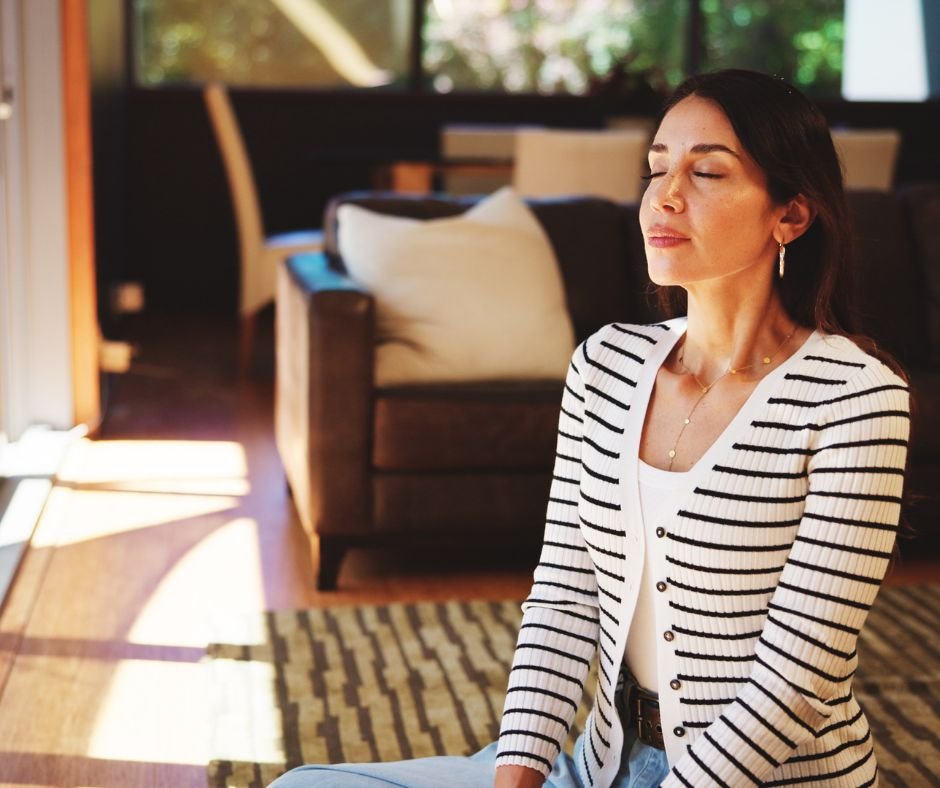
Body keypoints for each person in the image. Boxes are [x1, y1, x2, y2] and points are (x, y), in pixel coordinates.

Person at [269, 69, 911, 788]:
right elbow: (565, 596)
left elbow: (800, 674)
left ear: (791, 216)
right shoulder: (605, 363)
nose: (665, 196)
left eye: (706, 172)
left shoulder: (855, 398)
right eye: (657, 167)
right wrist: (517, 773)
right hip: (604, 766)